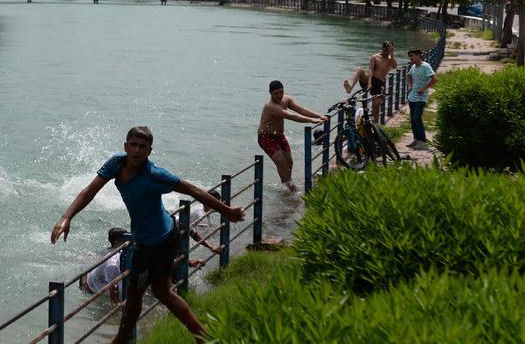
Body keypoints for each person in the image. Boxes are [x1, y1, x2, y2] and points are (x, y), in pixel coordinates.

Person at [51, 126, 244, 344]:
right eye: (133, 145)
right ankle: (203, 337)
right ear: (125, 146)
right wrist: (66, 217)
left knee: (135, 297)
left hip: (155, 243)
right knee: (162, 293)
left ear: (149, 151)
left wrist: (227, 211)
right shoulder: (116, 164)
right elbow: (90, 191)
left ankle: (121, 340)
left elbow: (194, 191)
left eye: (142, 147)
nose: (136, 150)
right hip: (157, 235)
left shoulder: (154, 175)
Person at [257, 81, 328, 192]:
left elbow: (302, 110)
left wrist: (319, 115)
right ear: (270, 93)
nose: (279, 96)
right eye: (276, 94)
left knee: (289, 162)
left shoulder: (286, 100)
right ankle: (291, 188)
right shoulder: (270, 106)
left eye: (281, 92)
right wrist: (311, 120)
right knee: (280, 161)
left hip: (279, 136)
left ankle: (286, 184)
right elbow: (291, 116)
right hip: (265, 137)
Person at [79, 227, 130, 304]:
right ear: (116, 243)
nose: (129, 243)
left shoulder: (116, 253)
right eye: (125, 241)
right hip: (87, 286)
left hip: (95, 274)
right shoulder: (112, 261)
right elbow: (113, 289)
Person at [407, 49, 437, 151]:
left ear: (419, 55)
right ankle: (416, 139)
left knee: (417, 118)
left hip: (421, 98)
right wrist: (410, 86)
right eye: (410, 56)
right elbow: (409, 76)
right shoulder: (413, 67)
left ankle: (422, 141)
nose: (411, 58)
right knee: (412, 120)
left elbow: (434, 79)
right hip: (412, 97)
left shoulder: (425, 66)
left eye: (412, 55)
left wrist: (424, 89)